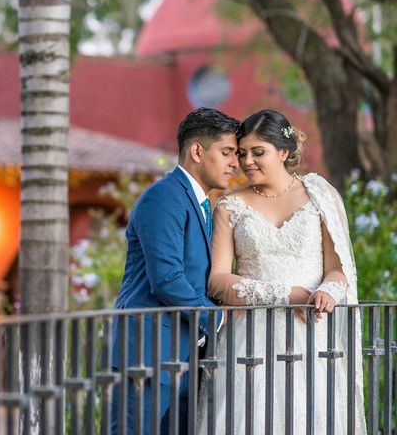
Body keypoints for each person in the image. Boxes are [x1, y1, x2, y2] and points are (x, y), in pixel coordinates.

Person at [197, 109, 366, 433]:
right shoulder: (230, 206)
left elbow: (338, 269)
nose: (247, 162)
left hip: (310, 333)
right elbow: (217, 280)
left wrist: (327, 292)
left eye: (258, 152)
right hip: (249, 339)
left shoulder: (320, 195)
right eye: (242, 153)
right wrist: (283, 295)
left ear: (284, 152)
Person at [110, 107, 240, 434]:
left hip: (185, 356)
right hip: (147, 354)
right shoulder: (163, 197)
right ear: (197, 151)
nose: (235, 163)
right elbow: (166, 279)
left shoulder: (204, 205)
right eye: (226, 153)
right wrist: (220, 317)